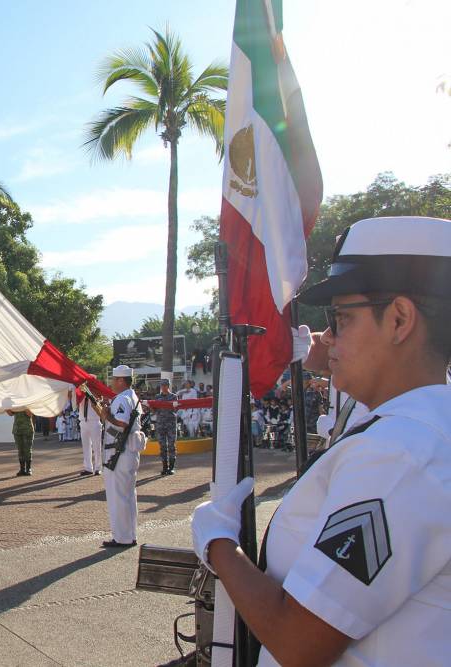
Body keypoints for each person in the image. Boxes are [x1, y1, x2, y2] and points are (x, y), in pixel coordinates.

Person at [191, 215, 451, 665]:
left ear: (399, 319)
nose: (328, 338)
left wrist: (218, 544)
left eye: (342, 318)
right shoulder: (418, 430)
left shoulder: (400, 451)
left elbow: (298, 642)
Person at [91, 365, 145, 548]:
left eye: (114, 380)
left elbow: (120, 424)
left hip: (120, 453)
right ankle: (129, 535)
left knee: (118, 496)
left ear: (121, 380)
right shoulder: (130, 396)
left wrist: (106, 415)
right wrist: (103, 412)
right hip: (126, 452)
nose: (112, 383)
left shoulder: (122, 399)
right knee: (128, 495)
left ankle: (122, 538)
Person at [150, 379, 179, 475]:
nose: (163, 387)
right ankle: (164, 467)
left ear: (168, 386)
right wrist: (151, 406)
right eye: (162, 385)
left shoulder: (174, 397)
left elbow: (176, 409)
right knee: (162, 446)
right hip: (160, 424)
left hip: (171, 424)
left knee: (171, 445)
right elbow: (154, 411)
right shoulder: (157, 397)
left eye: (165, 385)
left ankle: (171, 467)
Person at [75, 387, 102, 476]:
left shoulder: (96, 391)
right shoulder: (80, 394)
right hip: (83, 421)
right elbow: (75, 403)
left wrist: (90, 393)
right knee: (86, 446)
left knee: (96, 446)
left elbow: (99, 400)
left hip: (94, 420)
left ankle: (98, 467)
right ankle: (88, 468)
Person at [7, 407, 34, 476]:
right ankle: (22, 469)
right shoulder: (14, 404)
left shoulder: (28, 402)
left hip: (27, 429)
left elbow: (30, 414)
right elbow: (10, 414)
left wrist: (23, 406)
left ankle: (28, 469)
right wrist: (6, 407)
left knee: (27, 449)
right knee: (20, 450)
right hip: (17, 430)